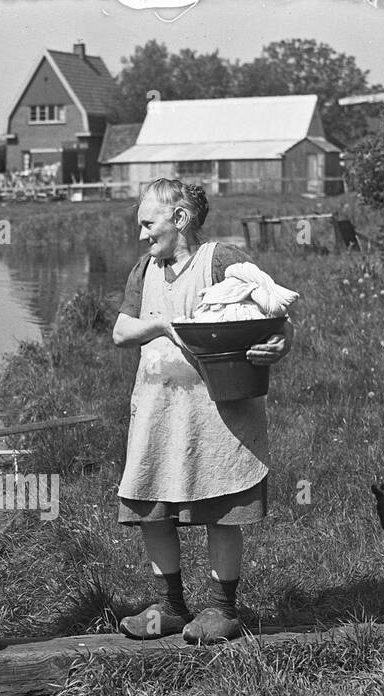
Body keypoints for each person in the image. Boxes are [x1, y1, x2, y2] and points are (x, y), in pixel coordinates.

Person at [111, 178, 294, 644]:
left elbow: (272, 313)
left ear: (180, 218)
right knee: (153, 507)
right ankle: (170, 606)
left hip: (218, 410)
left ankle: (221, 609)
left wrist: (280, 343)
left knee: (221, 506)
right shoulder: (144, 269)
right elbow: (120, 331)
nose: (142, 234)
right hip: (157, 407)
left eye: (148, 224)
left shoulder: (222, 260)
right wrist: (161, 325)